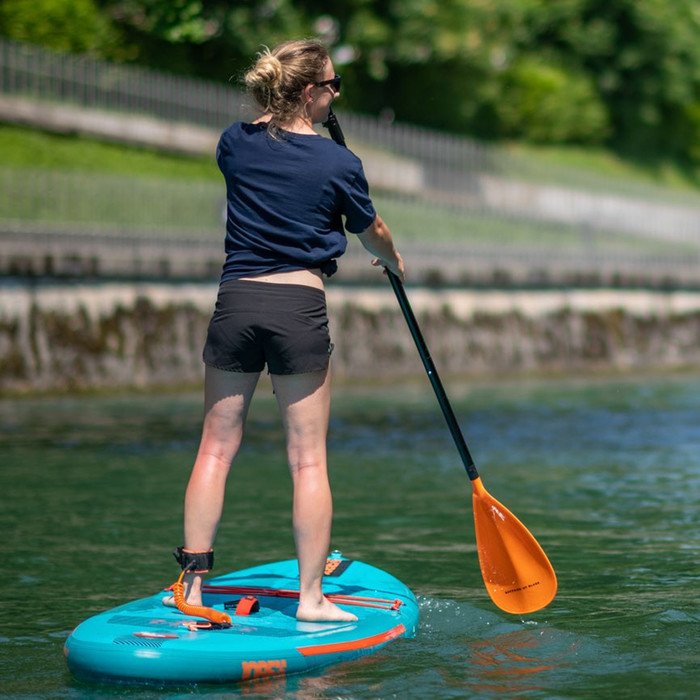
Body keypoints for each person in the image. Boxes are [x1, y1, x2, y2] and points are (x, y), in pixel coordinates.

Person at [170, 39, 404, 623]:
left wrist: (279, 118)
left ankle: (193, 589)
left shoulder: (233, 141)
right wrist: (395, 261)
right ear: (309, 91)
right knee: (308, 462)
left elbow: (259, 150)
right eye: (333, 84)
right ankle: (311, 599)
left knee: (215, 451)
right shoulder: (338, 162)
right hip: (298, 306)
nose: (337, 94)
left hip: (237, 301)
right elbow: (368, 227)